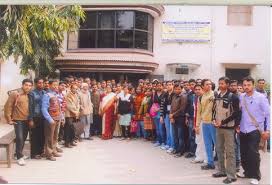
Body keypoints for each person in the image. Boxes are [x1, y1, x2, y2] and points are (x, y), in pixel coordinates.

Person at [237, 76, 270, 185]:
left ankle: (256, 176)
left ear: (253, 85)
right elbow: (240, 112)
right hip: (242, 129)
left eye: (248, 85)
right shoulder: (241, 96)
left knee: (253, 153)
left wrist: (268, 130)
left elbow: (269, 114)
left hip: (255, 129)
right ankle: (247, 172)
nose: (246, 87)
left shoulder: (261, 97)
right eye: (244, 85)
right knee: (244, 153)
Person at [212, 77, 241, 184]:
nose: (220, 85)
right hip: (218, 127)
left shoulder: (233, 97)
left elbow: (237, 113)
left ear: (228, 84)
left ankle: (231, 175)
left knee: (230, 152)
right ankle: (222, 171)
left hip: (229, 128)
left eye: (222, 83)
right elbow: (215, 110)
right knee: (219, 149)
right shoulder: (218, 96)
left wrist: (223, 122)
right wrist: (214, 120)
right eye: (219, 83)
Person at [4, 79, 33, 166]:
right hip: (18, 120)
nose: (28, 87)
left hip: (26, 120)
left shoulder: (29, 95)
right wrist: (9, 119)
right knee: (20, 137)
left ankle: (18, 154)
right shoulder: (15, 94)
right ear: (22, 85)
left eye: (29, 85)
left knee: (23, 138)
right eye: (26, 85)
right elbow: (7, 106)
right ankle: (19, 157)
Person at [196, 79, 216, 170]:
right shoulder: (201, 97)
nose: (209, 85)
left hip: (213, 123)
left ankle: (223, 166)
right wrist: (197, 125)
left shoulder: (215, 95)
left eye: (210, 84)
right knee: (207, 144)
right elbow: (198, 112)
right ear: (203, 86)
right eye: (207, 84)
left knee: (217, 144)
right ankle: (210, 163)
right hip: (204, 123)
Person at [41, 79, 62, 161]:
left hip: (57, 118)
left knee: (55, 136)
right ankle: (49, 154)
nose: (56, 87)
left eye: (57, 85)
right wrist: (50, 119)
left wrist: (61, 117)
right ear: (49, 85)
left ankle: (54, 150)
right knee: (49, 137)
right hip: (51, 119)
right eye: (54, 85)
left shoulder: (55, 94)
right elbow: (43, 109)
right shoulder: (46, 95)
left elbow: (58, 107)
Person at [28, 78, 45, 159]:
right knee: (35, 136)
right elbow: (30, 107)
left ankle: (41, 151)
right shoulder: (32, 93)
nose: (41, 84)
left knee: (42, 135)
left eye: (42, 83)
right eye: (39, 83)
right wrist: (30, 119)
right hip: (35, 117)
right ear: (35, 84)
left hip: (43, 117)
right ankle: (34, 153)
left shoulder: (44, 92)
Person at [169, 84, 188, 158]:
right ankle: (176, 149)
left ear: (181, 89)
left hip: (180, 118)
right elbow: (171, 106)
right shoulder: (174, 96)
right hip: (174, 118)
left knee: (180, 136)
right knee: (175, 135)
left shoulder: (183, 96)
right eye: (176, 89)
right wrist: (171, 115)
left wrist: (172, 115)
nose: (177, 90)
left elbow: (182, 109)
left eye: (179, 89)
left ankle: (181, 151)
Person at [191, 84, 207, 164]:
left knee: (205, 140)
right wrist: (195, 124)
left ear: (203, 89)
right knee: (198, 140)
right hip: (197, 120)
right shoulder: (195, 98)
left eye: (199, 89)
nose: (197, 91)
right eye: (196, 89)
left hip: (204, 121)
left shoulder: (205, 98)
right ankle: (199, 157)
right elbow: (195, 112)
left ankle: (206, 157)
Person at [160, 81, 175, 153]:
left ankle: (172, 146)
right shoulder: (165, 94)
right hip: (166, 114)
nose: (168, 86)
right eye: (167, 85)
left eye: (170, 85)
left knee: (172, 132)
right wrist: (161, 116)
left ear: (173, 85)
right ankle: (168, 144)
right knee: (168, 131)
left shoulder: (175, 94)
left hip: (172, 115)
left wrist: (172, 115)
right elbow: (162, 106)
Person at [230, 80, 241, 172]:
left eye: (234, 85)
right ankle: (231, 162)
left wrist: (238, 124)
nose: (233, 87)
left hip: (237, 124)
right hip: (229, 123)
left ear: (237, 86)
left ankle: (237, 163)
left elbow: (240, 113)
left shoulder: (240, 96)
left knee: (237, 144)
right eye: (231, 85)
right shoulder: (229, 95)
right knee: (231, 144)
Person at [184, 79, 197, 158]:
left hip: (199, 118)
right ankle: (192, 152)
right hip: (191, 118)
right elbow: (187, 107)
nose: (192, 86)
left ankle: (198, 153)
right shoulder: (189, 95)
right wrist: (186, 118)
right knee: (191, 136)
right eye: (190, 84)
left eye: (193, 84)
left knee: (197, 137)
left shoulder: (200, 93)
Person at [150, 82, 165, 147]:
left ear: (162, 86)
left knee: (161, 128)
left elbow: (164, 104)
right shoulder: (154, 94)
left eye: (160, 86)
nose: (159, 87)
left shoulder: (164, 94)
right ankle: (158, 141)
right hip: (154, 112)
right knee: (157, 128)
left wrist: (158, 109)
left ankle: (163, 142)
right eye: (157, 86)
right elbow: (152, 103)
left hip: (161, 112)